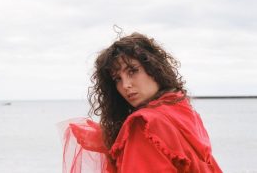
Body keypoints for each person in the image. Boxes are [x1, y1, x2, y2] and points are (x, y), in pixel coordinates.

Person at [60, 32, 222, 173]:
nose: (125, 85)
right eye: (117, 79)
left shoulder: (143, 124)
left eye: (132, 71)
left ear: (154, 68)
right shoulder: (185, 112)